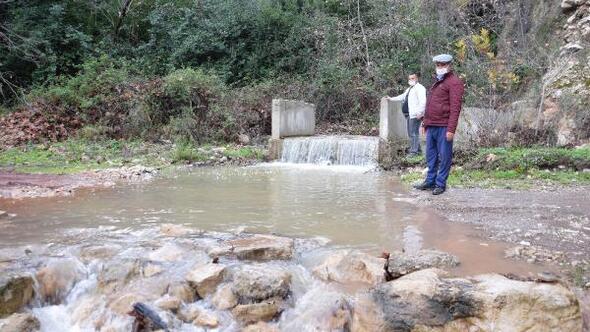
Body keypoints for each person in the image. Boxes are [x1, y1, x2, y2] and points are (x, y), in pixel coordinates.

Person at [413, 54, 465, 195]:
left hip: (444, 126)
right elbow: (430, 105)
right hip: (432, 125)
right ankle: (430, 181)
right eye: (438, 65)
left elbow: (455, 108)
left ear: (449, 65)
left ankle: (440, 184)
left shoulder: (454, 82)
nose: (440, 67)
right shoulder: (437, 82)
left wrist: (451, 129)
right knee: (431, 156)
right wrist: (425, 122)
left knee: (444, 156)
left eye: (442, 65)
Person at [387, 73, 426, 156]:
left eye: (413, 78)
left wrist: (420, 113)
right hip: (409, 114)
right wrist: (391, 99)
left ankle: (414, 152)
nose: (411, 80)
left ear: (417, 79)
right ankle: (417, 150)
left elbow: (423, 101)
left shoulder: (420, 88)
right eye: (409, 79)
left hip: (416, 114)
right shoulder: (410, 89)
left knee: (413, 133)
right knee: (411, 133)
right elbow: (402, 96)